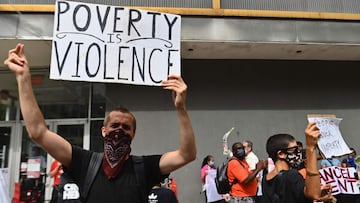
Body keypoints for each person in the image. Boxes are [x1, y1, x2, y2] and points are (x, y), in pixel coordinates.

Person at [4, 43, 197, 203]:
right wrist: (23, 78)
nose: (119, 131)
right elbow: (38, 132)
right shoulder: (84, 163)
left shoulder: (144, 167)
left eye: (126, 127)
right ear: (103, 131)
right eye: (114, 126)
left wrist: (180, 107)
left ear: (133, 134)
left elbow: (186, 155)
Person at [262, 122, 336, 203]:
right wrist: (311, 147)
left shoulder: (266, 177)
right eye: (294, 150)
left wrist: (318, 193)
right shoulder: (291, 175)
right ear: (281, 154)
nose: (299, 153)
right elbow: (314, 194)